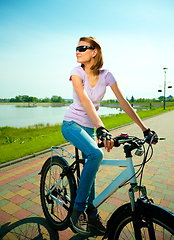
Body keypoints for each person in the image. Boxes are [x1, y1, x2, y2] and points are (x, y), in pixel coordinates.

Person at [61, 36, 156, 235]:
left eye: (82, 48)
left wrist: (145, 128)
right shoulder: (77, 72)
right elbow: (85, 100)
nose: (77, 51)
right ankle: (78, 210)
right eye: (76, 48)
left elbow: (123, 102)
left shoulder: (107, 75)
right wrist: (101, 128)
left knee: (91, 167)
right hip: (72, 124)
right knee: (97, 155)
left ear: (94, 51)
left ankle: (93, 217)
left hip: (89, 127)